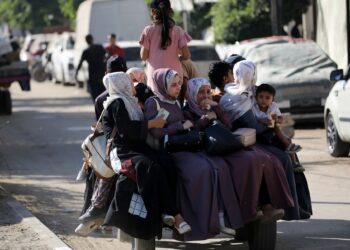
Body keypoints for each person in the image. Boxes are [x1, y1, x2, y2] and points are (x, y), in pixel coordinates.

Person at [145, 68, 245, 241]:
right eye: (173, 85)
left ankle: (220, 216)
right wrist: (180, 126)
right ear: (162, 85)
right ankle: (199, 221)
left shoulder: (175, 103)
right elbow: (156, 133)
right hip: (170, 151)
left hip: (187, 147)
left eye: (179, 84)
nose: (178, 88)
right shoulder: (153, 103)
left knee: (219, 166)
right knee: (202, 170)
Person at [209, 60, 312, 220]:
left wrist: (271, 119)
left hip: (251, 138)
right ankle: (289, 208)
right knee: (282, 158)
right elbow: (253, 125)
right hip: (248, 140)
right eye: (231, 73)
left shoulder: (247, 92)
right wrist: (270, 124)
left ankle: (296, 205)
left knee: (288, 154)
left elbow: (267, 107)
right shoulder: (234, 97)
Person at [183, 77, 294, 224]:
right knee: (237, 166)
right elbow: (191, 131)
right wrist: (205, 119)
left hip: (225, 145)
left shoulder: (214, 106)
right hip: (206, 150)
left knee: (258, 159)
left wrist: (216, 110)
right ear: (192, 94)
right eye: (201, 92)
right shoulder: (187, 111)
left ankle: (266, 205)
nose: (206, 96)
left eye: (208, 91)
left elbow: (228, 126)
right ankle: (243, 211)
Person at [102, 72, 191, 239]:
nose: (132, 84)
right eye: (129, 81)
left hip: (136, 147)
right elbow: (126, 130)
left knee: (166, 161)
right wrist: (152, 123)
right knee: (149, 167)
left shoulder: (129, 102)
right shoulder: (117, 103)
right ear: (121, 85)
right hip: (122, 151)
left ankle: (167, 211)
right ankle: (175, 215)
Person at [139, 0, 191, 91]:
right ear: (170, 11)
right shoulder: (178, 30)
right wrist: (178, 58)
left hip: (155, 79)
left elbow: (143, 56)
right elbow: (187, 55)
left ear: (152, 12)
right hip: (175, 79)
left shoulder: (148, 30)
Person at [253, 84, 304, 161]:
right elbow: (256, 120)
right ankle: (288, 146)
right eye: (261, 97)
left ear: (272, 99)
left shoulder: (273, 106)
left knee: (288, 139)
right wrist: (263, 120)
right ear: (256, 98)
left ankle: (294, 163)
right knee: (282, 137)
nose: (263, 100)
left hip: (272, 129)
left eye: (267, 98)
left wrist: (276, 119)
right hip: (261, 132)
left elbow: (280, 119)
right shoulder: (254, 108)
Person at [76, 34, 106, 102]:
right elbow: (107, 56)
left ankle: (97, 106)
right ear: (92, 39)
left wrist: (76, 72)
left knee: (95, 94)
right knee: (103, 92)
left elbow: (80, 62)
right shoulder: (100, 47)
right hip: (102, 74)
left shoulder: (86, 51)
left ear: (86, 41)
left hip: (93, 76)